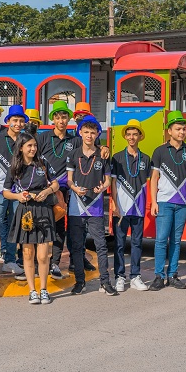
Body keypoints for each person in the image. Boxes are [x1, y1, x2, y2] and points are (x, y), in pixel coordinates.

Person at [3, 131, 60, 305]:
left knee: (43, 255)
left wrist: (48, 191)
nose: (33, 148)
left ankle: (43, 290)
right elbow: (6, 192)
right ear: (21, 148)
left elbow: (56, 183)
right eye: (29, 146)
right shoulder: (14, 167)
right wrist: (18, 196)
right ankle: (32, 290)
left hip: (43, 210)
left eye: (35, 145)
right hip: (25, 210)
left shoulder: (43, 163)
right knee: (28, 254)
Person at [148, 111, 186, 291]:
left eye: (184, 129)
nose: (182, 132)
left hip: (184, 203)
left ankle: (173, 275)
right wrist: (154, 202)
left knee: (177, 241)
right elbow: (154, 178)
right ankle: (158, 276)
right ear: (169, 131)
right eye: (178, 129)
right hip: (164, 202)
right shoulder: (160, 151)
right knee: (161, 240)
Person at [67, 116, 114, 295]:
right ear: (80, 132)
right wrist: (74, 188)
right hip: (76, 206)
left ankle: (105, 282)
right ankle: (80, 282)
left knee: (101, 245)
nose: (89, 135)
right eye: (86, 132)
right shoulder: (72, 155)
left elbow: (108, 180)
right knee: (77, 246)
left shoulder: (102, 155)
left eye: (92, 132)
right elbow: (69, 180)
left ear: (97, 134)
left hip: (95, 204)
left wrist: (103, 186)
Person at [38, 101, 81, 280]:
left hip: (64, 190)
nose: (61, 120)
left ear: (69, 119)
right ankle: (33, 262)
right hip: (43, 188)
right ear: (53, 119)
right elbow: (34, 160)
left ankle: (54, 262)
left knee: (58, 227)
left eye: (64, 117)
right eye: (58, 117)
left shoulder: (75, 140)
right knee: (37, 226)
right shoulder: (43, 138)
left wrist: (103, 149)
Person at [109, 119, 152, 292]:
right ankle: (120, 276)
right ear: (125, 136)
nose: (132, 137)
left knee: (137, 243)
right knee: (119, 244)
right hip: (121, 208)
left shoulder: (146, 158)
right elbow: (112, 182)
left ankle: (135, 276)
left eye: (135, 134)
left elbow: (152, 181)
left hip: (139, 208)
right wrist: (114, 204)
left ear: (140, 136)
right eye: (129, 134)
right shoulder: (117, 158)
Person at [0, 104, 28, 275]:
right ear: (8, 121)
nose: (17, 123)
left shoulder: (25, 139)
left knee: (14, 225)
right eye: (14, 120)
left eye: (20, 121)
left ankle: (9, 260)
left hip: (18, 189)